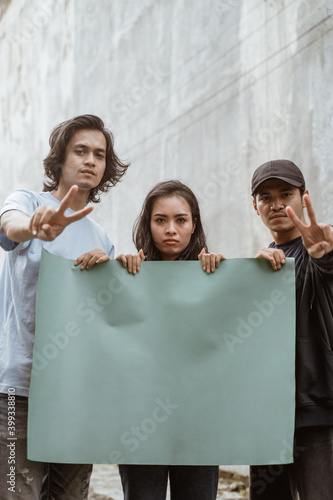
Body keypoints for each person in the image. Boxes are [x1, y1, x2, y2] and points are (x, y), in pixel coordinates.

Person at [0, 114, 129, 499]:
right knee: (15, 492)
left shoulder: (102, 239)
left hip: (75, 394)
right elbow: (10, 225)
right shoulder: (27, 202)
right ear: (59, 159)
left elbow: (104, 320)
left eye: (100, 154)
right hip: (17, 391)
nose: (91, 160)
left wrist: (111, 274)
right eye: (81, 151)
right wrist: (34, 227)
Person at [115, 179, 225, 500]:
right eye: (160, 220)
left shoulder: (216, 277)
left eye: (181, 220)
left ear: (194, 226)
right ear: (147, 226)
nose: (171, 229)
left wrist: (228, 281)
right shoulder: (126, 277)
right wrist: (109, 277)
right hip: (141, 423)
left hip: (198, 424)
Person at [249, 159, 333, 500]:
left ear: (304, 197)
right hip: (267, 414)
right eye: (265, 197)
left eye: (286, 193)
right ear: (255, 207)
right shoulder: (258, 263)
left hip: (316, 411)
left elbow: (325, 269)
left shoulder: (319, 247)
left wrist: (324, 256)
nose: (276, 204)